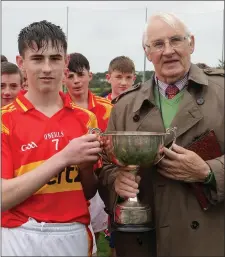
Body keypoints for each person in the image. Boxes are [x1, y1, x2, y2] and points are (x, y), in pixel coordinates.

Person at [98, 12, 224, 257]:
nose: (168, 51)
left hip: (208, 240)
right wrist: (116, 180)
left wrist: (208, 173)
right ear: (147, 52)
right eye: (158, 44)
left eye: (176, 40)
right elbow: (104, 166)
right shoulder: (125, 105)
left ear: (192, 43)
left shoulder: (221, 93)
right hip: (141, 243)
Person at [1, 20, 102, 256]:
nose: (47, 68)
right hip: (19, 234)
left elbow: (88, 191)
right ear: (21, 63)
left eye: (55, 58)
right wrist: (64, 157)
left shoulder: (86, 119)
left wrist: (86, 170)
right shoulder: (4, 120)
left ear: (65, 62)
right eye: (37, 59)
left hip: (72, 233)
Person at [64, 52, 112, 255]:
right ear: (63, 77)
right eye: (70, 76)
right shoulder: (57, 110)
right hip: (72, 184)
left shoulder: (108, 108)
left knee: (103, 234)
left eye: (80, 75)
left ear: (90, 76)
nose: (76, 81)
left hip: (103, 178)